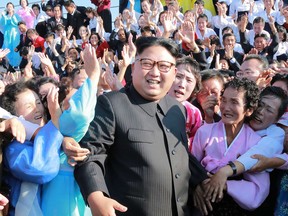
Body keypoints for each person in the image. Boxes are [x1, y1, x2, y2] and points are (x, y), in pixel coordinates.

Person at [74, 36, 208, 216]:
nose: (155, 72)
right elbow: (90, 154)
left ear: (174, 72)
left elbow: (179, 153)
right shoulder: (112, 104)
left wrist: (199, 181)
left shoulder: (177, 109)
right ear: (134, 67)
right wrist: (96, 195)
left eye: (163, 66)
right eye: (147, 63)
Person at [192, 77, 270, 215]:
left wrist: (225, 184)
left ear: (249, 110)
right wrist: (196, 186)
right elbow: (191, 165)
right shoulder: (204, 132)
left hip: (234, 209)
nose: (226, 107)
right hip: (201, 203)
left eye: (234, 102)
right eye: (224, 100)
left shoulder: (255, 142)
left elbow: (259, 190)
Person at [168, 56, 202, 150]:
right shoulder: (152, 103)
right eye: (178, 76)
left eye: (189, 80)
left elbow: (196, 141)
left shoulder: (194, 113)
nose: (182, 85)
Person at [0, 2, 21, 67]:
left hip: (15, 33)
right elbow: (2, 23)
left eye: (11, 6)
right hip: (7, 33)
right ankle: (8, 64)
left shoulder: (16, 15)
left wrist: (13, 16)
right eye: (8, 6)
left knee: (15, 46)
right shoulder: (5, 16)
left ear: (13, 8)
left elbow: (19, 23)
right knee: (7, 46)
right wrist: (3, 16)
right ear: (6, 8)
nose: (9, 8)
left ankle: (16, 64)